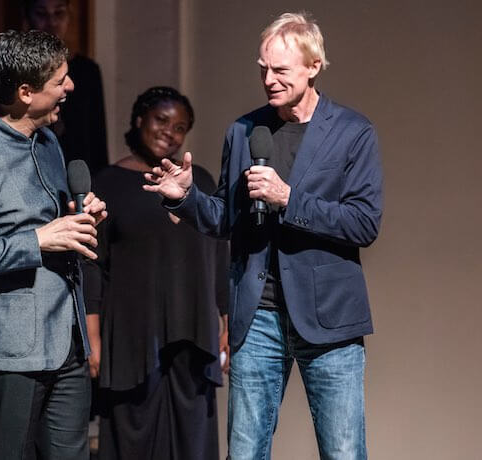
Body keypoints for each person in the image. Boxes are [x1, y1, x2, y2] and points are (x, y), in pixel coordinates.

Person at [144, 12, 383, 460]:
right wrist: (184, 197)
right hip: (259, 317)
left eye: (280, 70)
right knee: (246, 451)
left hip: (328, 319)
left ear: (313, 67)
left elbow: (364, 222)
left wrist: (288, 198)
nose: (268, 80)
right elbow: (225, 219)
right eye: (263, 69)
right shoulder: (244, 131)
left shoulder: (353, 132)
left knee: (344, 451)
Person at [0, 30, 107, 460]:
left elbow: (55, 229)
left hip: (66, 340)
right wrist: (37, 240)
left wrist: (80, 218)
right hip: (10, 352)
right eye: (59, 81)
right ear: (26, 92)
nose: (71, 87)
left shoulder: (48, 141)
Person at [83, 86, 229, 459]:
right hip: (132, 333)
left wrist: (226, 321)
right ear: (139, 120)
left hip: (193, 331)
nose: (170, 132)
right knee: (132, 436)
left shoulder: (201, 182)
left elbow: (219, 256)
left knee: (193, 440)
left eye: (180, 127)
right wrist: (93, 335)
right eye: (161, 120)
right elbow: (93, 263)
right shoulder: (108, 183)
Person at [24, 0, 108, 174]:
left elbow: (96, 133)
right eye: (41, 14)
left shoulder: (86, 70)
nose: (52, 23)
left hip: (78, 167)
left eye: (59, 13)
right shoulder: (21, 69)